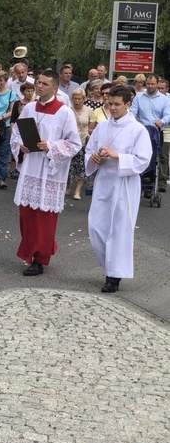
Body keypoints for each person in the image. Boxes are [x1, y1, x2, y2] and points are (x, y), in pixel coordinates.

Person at [10, 69, 82, 276]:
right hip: (31, 167)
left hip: (50, 172)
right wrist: (21, 147)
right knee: (28, 215)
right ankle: (30, 252)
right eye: (38, 82)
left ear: (55, 88)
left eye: (44, 83)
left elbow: (74, 143)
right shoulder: (30, 108)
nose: (39, 86)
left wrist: (50, 146)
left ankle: (40, 258)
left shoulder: (64, 112)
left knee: (44, 218)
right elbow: (16, 134)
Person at [86, 86, 152, 293]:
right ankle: (111, 265)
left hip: (124, 182)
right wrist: (94, 157)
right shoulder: (102, 126)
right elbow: (89, 149)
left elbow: (143, 160)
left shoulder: (137, 129)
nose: (112, 108)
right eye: (109, 103)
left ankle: (114, 276)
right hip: (105, 179)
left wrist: (118, 157)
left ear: (128, 104)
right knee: (96, 226)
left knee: (119, 229)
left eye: (116, 104)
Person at [129, 74, 170, 192]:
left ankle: (150, 178)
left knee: (155, 156)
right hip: (141, 131)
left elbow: (168, 114)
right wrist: (133, 120)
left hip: (156, 131)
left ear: (157, 84)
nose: (150, 86)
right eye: (148, 84)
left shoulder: (165, 100)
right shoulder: (139, 97)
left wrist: (162, 121)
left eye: (153, 84)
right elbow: (132, 112)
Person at [0, 70, 17, 189]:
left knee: (4, 152)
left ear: (6, 81)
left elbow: (12, 111)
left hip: (5, 125)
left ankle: (1, 178)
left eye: (1, 80)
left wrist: (0, 118)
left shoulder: (11, 94)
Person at [67, 88, 93, 200]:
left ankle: (77, 191)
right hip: (70, 141)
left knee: (82, 167)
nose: (77, 101)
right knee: (69, 166)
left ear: (84, 99)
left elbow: (91, 127)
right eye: (75, 99)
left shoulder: (89, 111)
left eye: (79, 99)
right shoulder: (68, 110)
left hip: (83, 141)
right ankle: (68, 184)